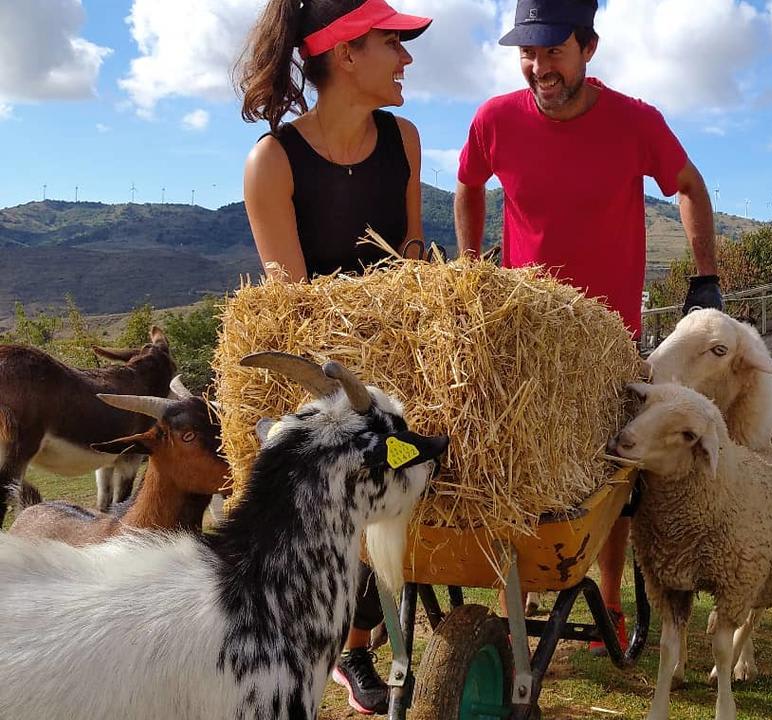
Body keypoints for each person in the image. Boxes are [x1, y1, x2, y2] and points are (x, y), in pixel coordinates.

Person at [454, 0, 722, 654]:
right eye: (528, 52)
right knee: (517, 470)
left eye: (552, 51)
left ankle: (609, 603)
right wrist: (469, 268)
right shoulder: (495, 119)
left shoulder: (634, 122)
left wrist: (705, 275)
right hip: (524, 340)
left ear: (588, 47)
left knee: (611, 477)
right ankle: (509, 605)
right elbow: (467, 182)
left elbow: (687, 184)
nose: (539, 66)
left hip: (607, 344)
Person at [236, 0, 432, 713]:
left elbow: (413, 263)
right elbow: (294, 313)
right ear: (348, 53)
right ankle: (344, 646)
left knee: (430, 449)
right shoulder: (273, 163)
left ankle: (363, 634)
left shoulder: (404, 139)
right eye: (393, 43)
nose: (406, 58)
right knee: (345, 465)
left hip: (408, 360)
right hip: (325, 383)